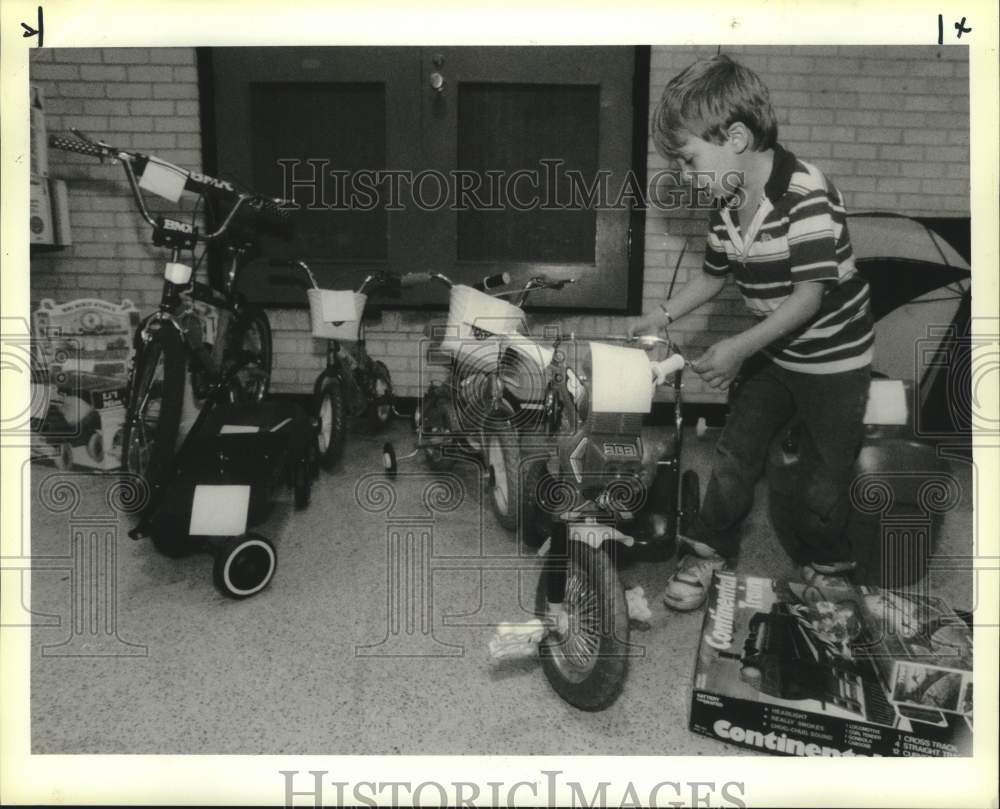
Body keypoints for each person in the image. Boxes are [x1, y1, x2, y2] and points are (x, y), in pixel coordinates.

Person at [631, 55, 874, 611]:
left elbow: (809, 298)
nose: (688, 177)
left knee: (822, 479)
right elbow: (716, 277)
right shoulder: (725, 204)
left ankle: (831, 567)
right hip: (774, 353)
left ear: (735, 136)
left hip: (834, 361)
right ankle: (709, 550)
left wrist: (739, 347)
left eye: (690, 160)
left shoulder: (805, 193)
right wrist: (662, 315)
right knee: (734, 455)